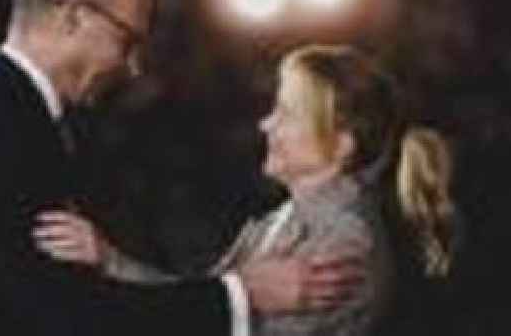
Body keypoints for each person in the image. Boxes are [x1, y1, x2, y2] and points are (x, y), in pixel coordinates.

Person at [0, 0, 366, 336]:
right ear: (73, 16)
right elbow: (67, 321)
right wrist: (238, 295)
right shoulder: (2, 129)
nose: (133, 67)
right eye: (127, 41)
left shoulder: (1, 109)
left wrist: (111, 262)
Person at [35, 44, 457, 335]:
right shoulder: (277, 221)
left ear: (340, 145)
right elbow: (201, 301)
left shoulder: (346, 242)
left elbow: (208, 320)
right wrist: (108, 259)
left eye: (286, 114)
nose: (265, 124)